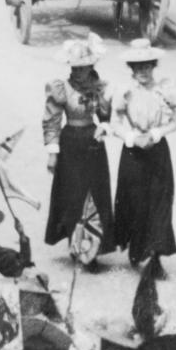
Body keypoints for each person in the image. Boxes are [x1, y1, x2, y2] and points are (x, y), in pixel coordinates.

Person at [108, 40, 176, 276]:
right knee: (135, 203)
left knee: (160, 203)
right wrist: (130, 137)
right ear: (131, 68)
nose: (143, 72)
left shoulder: (163, 91)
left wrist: (156, 133)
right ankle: (137, 249)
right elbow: (114, 122)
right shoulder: (124, 92)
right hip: (133, 154)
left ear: (153, 66)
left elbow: (175, 121)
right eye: (138, 67)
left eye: (147, 66)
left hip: (157, 153)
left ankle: (156, 258)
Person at [43, 35, 113, 266]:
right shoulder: (61, 88)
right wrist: (53, 153)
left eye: (83, 68)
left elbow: (105, 116)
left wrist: (103, 125)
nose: (78, 73)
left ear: (91, 66)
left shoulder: (99, 88)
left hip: (93, 145)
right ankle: (75, 244)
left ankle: (93, 247)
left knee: (94, 195)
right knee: (73, 195)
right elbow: (52, 121)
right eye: (74, 68)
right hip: (70, 143)